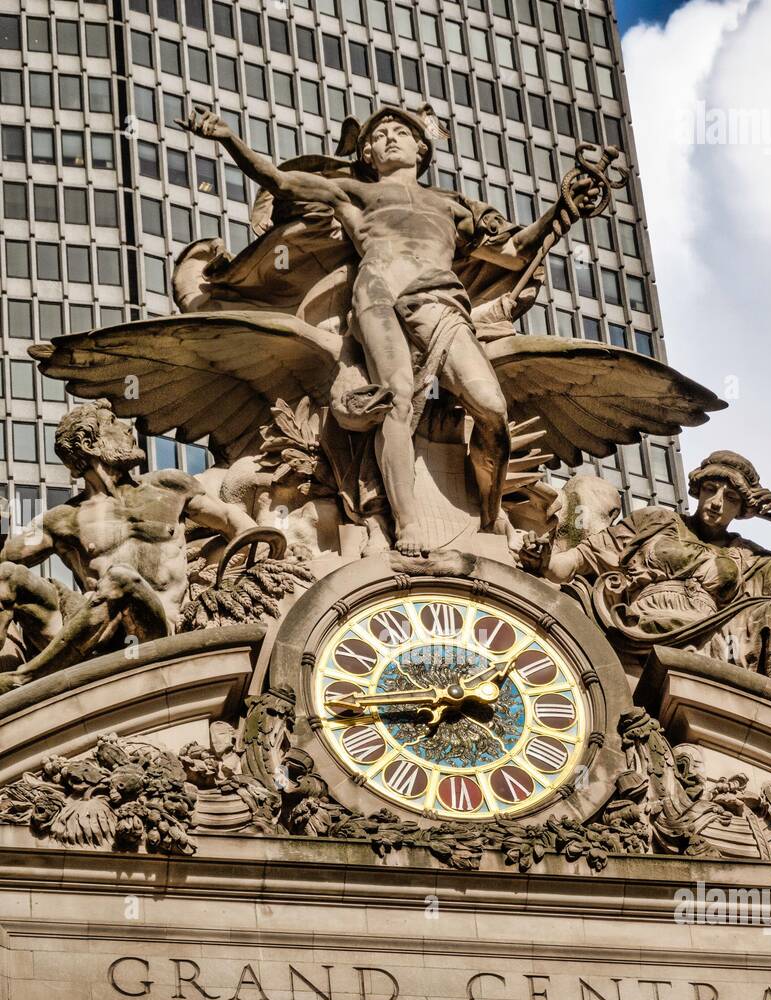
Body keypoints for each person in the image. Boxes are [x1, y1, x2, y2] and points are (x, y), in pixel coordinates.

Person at [179, 105, 579, 555]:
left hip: (440, 300)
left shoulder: (453, 206)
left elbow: (513, 250)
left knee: (492, 408)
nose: (389, 138)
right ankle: (406, 523)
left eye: (400, 132)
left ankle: (489, 516)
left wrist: (563, 208)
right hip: (378, 296)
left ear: (421, 147)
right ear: (366, 152)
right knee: (397, 400)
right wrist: (229, 138)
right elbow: (283, 182)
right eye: (379, 135)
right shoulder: (352, 194)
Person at [549, 450, 771, 713]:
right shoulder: (657, 521)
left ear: (742, 510)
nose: (716, 502)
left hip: (714, 634)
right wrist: (543, 559)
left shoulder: (747, 556)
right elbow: (584, 557)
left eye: (730, 498)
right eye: (711, 490)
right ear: (698, 491)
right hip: (646, 623)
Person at [0, 399, 255, 691]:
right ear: (89, 443)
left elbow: (232, 520)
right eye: (113, 422)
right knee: (8, 577)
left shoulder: (169, 486)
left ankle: (26, 679)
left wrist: (259, 554)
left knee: (121, 579)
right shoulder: (63, 520)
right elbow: (6, 558)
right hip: (92, 635)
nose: (126, 428)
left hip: (156, 629)